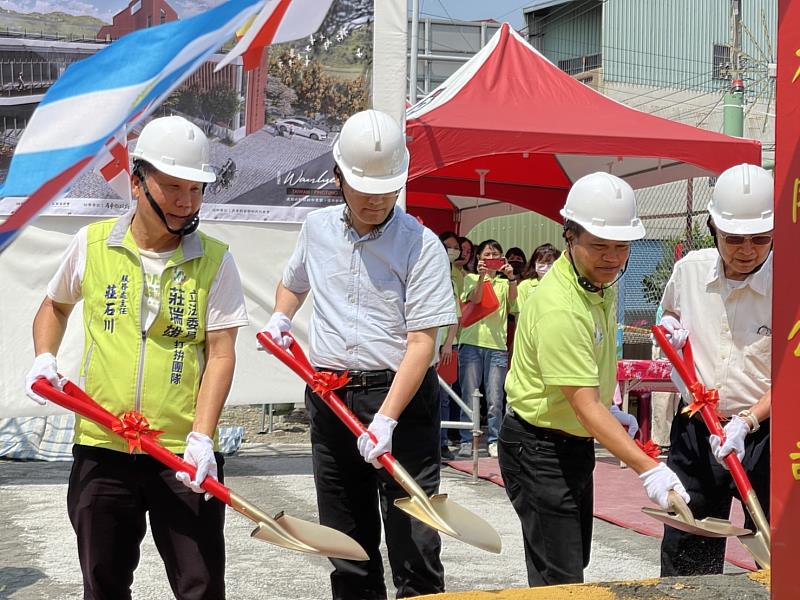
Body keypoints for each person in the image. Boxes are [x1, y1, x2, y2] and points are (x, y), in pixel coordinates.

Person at [24, 115, 249, 599]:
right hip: (103, 446)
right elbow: (55, 306)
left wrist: (202, 438)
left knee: (201, 585)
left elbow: (221, 354)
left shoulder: (216, 259)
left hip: (180, 454)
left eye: (196, 188)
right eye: (172, 187)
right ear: (137, 181)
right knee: (102, 583)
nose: (186, 201)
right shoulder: (92, 244)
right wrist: (45, 355)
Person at [258, 109, 456, 600]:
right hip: (330, 396)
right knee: (346, 542)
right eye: (364, 186)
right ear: (338, 176)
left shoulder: (420, 245)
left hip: (400, 401)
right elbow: (293, 282)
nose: (376, 198)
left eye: (387, 187)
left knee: (415, 541)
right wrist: (282, 316)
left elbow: (422, 342)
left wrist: (386, 419)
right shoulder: (317, 228)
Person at [499, 172, 690, 587]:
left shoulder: (599, 285)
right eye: (599, 246)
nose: (611, 258)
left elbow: (590, 393)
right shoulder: (560, 306)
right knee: (561, 577)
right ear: (570, 237)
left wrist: (610, 408)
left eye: (621, 247)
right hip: (538, 446)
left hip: (571, 441)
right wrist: (649, 468)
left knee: (570, 561)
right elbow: (583, 406)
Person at [658, 163, 773, 576]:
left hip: (763, 432)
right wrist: (670, 327)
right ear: (713, 229)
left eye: (760, 239)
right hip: (697, 426)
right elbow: (670, 310)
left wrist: (747, 423)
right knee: (690, 541)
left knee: (773, 542)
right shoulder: (690, 269)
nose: (747, 249)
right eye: (734, 238)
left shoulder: (790, 281)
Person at [456, 239, 518, 459]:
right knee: (468, 395)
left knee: (495, 398)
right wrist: (482, 276)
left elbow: (513, 305)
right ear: (479, 259)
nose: (491, 259)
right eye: (486, 255)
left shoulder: (504, 283)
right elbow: (476, 298)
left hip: (497, 346)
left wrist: (511, 279)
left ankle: (494, 440)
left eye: (495, 255)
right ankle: (466, 441)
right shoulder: (471, 278)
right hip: (471, 343)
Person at [438, 231, 462, 461]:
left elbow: (455, 317)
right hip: (424, 347)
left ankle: (442, 442)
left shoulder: (451, 283)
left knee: (444, 398)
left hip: (445, 348)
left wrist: (447, 345)